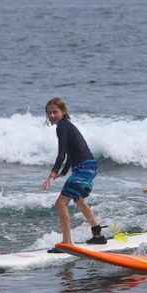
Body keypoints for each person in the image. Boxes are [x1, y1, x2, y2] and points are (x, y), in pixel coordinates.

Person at [41, 97, 107, 252]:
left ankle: (67, 243)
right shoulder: (67, 126)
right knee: (79, 200)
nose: (51, 115)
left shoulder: (62, 127)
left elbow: (62, 153)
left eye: (55, 112)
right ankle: (97, 235)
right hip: (89, 167)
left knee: (61, 203)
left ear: (63, 112)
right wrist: (63, 172)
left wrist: (52, 174)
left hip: (84, 168)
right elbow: (71, 153)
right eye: (49, 113)